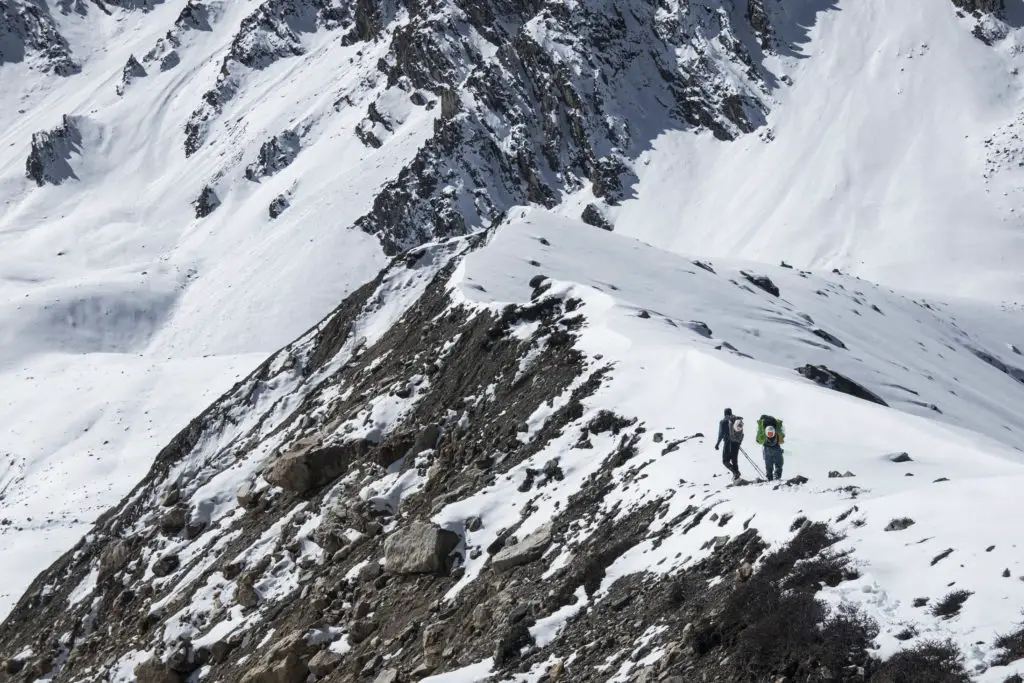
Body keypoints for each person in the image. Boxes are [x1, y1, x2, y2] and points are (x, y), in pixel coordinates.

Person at [715, 408, 743, 480]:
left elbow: (721, 434)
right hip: (737, 442)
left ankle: (736, 473)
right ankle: (737, 476)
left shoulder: (723, 421)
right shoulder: (736, 420)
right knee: (734, 460)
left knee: (725, 461)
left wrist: (717, 444)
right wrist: (738, 442)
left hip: (728, 442)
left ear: (725, 413)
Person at [756, 414, 786, 481]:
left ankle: (769, 478)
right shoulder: (775, 422)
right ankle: (777, 476)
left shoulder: (762, 425)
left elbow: (758, 440)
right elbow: (782, 435)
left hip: (767, 448)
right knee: (779, 464)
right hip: (776, 447)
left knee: (768, 465)